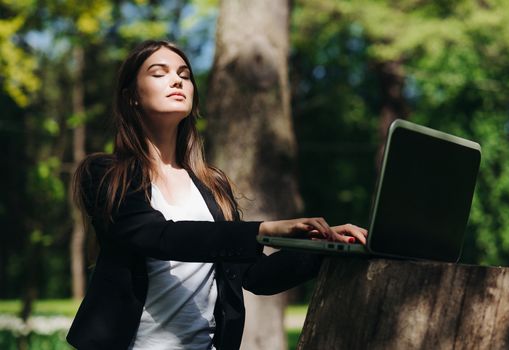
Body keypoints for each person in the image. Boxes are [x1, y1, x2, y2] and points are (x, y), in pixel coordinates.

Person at [66, 39, 367, 350]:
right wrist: (264, 229)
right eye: (159, 73)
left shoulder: (212, 184)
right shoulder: (106, 174)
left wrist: (323, 248)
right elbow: (159, 236)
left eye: (184, 74)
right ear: (131, 97)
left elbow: (253, 276)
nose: (176, 80)